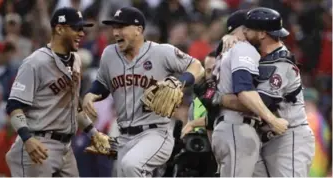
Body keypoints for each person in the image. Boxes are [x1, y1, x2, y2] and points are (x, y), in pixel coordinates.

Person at [82, 7, 204, 177]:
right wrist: (90, 94)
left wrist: (179, 82)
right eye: (114, 27)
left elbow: (197, 66)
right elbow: (102, 83)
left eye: (122, 27)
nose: (116, 32)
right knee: (125, 167)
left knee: (131, 165)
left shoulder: (161, 52)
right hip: (124, 136)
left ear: (138, 29)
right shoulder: (109, 54)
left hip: (156, 132)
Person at [216, 7, 315, 177]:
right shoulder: (258, 54)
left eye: (248, 29)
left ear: (262, 34)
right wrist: (227, 37)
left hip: (289, 138)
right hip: (265, 138)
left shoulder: (281, 63)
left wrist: (221, 99)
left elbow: (256, 103)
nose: (244, 32)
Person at [5, 7, 103, 177]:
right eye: (76, 28)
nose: (81, 33)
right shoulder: (35, 62)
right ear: (59, 29)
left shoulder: (77, 60)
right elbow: (14, 106)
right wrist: (27, 139)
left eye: (82, 29)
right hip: (39, 143)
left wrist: (93, 133)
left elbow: (74, 105)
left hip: (66, 147)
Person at [210, 10, 289, 177]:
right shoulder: (243, 49)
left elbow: (206, 89)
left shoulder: (225, 50)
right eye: (246, 27)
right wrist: (272, 120)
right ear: (240, 29)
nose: (248, 31)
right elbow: (243, 89)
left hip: (233, 127)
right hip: (237, 126)